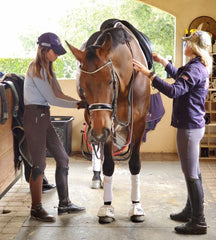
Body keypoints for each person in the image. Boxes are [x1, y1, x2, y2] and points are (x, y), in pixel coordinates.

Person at [133, 30, 212, 235]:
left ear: (193, 47)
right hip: (192, 125)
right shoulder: (197, 65)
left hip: (189, 128)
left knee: (191, 173)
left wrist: (149, 74)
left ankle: (198, 221)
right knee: (192, 170)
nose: (184, 45)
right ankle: (190, 211)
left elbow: (175, 90)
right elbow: (181, 77)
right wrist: (162, 62)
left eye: (187, 43)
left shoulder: (195, 68)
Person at [23, 32, 85, 222]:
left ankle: (64, 204)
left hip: (43, 116)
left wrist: (80, 101)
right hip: (34, 116)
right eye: (54, 52)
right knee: (39, 165)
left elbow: (58, 92)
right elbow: (52, 98)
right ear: (44, 49)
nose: (57, 55)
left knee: (63, 157)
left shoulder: (48, 68)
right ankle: (36, 209)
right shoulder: (36, 69)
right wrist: (77, 106)